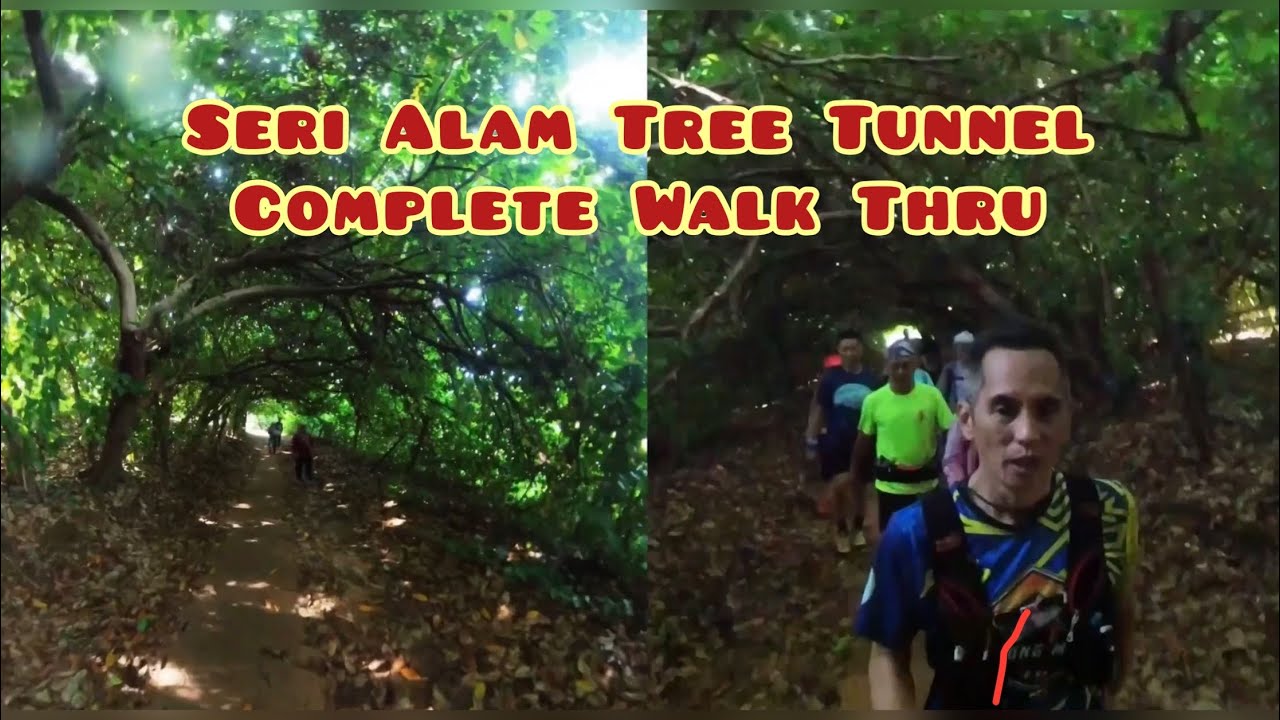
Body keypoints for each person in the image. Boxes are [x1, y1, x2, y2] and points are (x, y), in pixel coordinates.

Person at [854, 318, 1139, 710]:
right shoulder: (914, 533)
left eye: (1046, 410)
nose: (1026, 433)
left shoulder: (1109, 511)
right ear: (967, 421)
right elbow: (887, 653)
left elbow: (1121, 612)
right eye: (1005, 409)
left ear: (1068, 420)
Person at [852, 340, 954, 534]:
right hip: (890, 485)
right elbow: (863, 440)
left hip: (926, 484)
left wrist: (953, 467)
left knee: (927, 536)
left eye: (906, 366)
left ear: (915, 365)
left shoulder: (932, 396)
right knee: (893, 537)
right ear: (887, 367)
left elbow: (950, 431)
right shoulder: (874, 401)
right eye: (895, 366)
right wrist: (855, 472)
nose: (900, 371)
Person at [805, 329, 882, 553]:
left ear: (861, 350)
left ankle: (858, 528)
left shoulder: (871, 378)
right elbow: (819, 410)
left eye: (854, 347)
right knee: (838, 487)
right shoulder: (830, 379)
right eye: (845, 348)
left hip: (864, 441)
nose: (850, 352)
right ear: (839, 351)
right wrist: (810, 438)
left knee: (859, 486)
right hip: (834, 441)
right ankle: (840, 529)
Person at [937, 331, 976, 411]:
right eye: (958, 347)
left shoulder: (981, 367)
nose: (961, 351)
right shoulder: (950, 369)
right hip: (955, 413)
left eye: (965, 348)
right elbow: (938, 394)